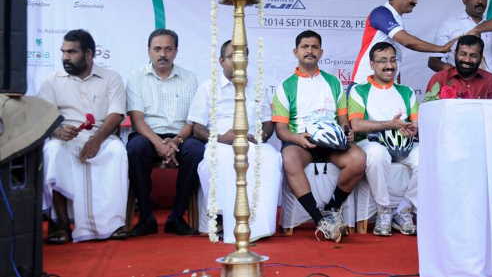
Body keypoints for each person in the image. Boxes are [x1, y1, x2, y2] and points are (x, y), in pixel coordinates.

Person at [273, 30, 366, 243]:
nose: (310, 51)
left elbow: (343, 119)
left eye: (314, 47)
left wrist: (346, 130)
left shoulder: (333, 82)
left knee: (358, 159)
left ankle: (332, 210)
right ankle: (320, 220)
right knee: (289, 158)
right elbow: (281, 130)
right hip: (302, 143)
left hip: (332, 143)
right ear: (296, 51)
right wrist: (298, 138)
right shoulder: (285, 86)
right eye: (305, 47)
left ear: (321, 52)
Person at [39, 29, 128, 243]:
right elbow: (43, 116)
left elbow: (116, 114)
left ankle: (113, 224)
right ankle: (60, 225)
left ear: (88, 54)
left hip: (102, 136)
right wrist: (57, 131)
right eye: (63, 52)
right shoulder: (52, 81)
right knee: (53, 151)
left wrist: (96, 141)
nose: (65, 57)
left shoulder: (111, 78)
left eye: (72, 52)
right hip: (65, 138)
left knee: (117, 151)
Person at [190, 40, 282, 243]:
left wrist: (259, 137)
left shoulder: (258, 87)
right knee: (223, 160)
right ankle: (226, 220)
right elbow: (197, 127)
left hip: (252, 143)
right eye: (232, 56)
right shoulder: (208, 88)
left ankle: (261, 225)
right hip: (221, 144)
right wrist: (222, 138)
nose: (238, 60)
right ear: (221, 61)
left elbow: (268, 122)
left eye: (243, 56)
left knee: (271, 158)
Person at [126, 29, 200, 236]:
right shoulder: (136, 78)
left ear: (176, 51)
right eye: (157, 49)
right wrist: (159, 144)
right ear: (148, 50)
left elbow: (192, 120)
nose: (162, 54)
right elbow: (137, 120)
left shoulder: (189, 78)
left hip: (181, 136)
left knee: (196, 151)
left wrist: (176, 140)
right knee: (135, 148)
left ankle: (176, 217)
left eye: (168, 49)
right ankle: (146, 218)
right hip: (148, 135)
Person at [348, 42, 419, 236]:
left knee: (425, 157)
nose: (389, 66)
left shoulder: (406, 91)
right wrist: (389, 124)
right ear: (372, 64)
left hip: (403, 143)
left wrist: (412, 129)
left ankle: (404, 209)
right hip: (371, 142)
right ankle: (384, 210)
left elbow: (416, 123)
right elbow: (356, 125)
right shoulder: (359, 91)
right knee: (377, 154)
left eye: (393, 60)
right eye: (382, 61)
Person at [351, 0, 453, 84]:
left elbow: (395, 55)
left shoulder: (396, 18)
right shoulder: (381, 13)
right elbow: (407, 42)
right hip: (364, 83)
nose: (415, 1)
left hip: (386, 84)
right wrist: (441, 49)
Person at [428, 0, 492, 91]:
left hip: (488, 91)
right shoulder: (449, 25)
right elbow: (433, 62)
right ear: (465, 0)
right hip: (459, 89)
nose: (480, 1)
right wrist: (457, 73)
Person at [426, 35, 492, 99]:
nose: (467, 60)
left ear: (481, 57)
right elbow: (430, 109)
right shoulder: (439, 79)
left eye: (473, 56)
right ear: (455, 54)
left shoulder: (491, 81)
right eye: (463, 54)